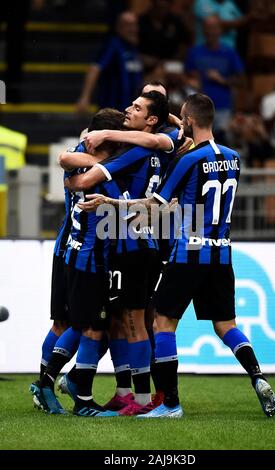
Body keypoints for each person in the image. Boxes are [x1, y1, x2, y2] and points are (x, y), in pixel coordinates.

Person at [79, 93, 275, 419]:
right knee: (226, 325)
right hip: (222, 255)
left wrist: (110, 204)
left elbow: (155, 206)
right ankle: (257, 376)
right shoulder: (234, 158)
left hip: (189, 253)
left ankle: (170, 404)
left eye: (181, 119)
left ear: (188, 121)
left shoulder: (188, 160)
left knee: (162, 323)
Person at [65, 91, 173, 416]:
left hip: (129, 246)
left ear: (151, 121)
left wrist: (84, 160)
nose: (130, 109)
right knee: (119, 323)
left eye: (137, 108)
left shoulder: (134, 152)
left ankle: (140, 399)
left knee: (130, 323)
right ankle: (126, 392)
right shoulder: (163, 147)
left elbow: (81, 179)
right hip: (143, 244)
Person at [30, 109, 127, 417]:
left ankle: (46, 386)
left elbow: (67, 159)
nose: (119, 149)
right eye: (113, 143)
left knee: (68, 322)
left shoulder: (79, 154)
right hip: (88, 256)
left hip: (68, 248)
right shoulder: (100, 174)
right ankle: (62, 391)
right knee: (91, 325)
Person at [185, 15, 244, 140]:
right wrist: (192, 81)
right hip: (198, 108)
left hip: (223, 107)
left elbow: (241, 80)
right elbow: (186, 77)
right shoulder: (194, 52)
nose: (210, 31)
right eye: (207, 28)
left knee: (222, 142)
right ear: (203, 31)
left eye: (214, 28)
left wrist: (222, 80)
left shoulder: (229, 52)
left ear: (220, 30)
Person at [76, 11, 143, 114]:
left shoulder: (134, 47)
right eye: (127, 25)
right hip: (112, 110)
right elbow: (95, 68)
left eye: (134, 25)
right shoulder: (113, 45)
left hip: (131, 109)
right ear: (118, 27)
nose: (132, 29)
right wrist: (85, 97)